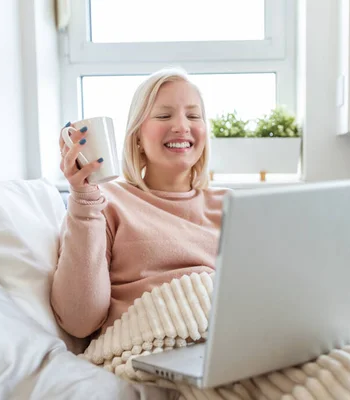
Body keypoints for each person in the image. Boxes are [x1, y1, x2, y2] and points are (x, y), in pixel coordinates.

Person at [51, 67, 230, 340]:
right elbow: (79, 321)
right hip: (146, 347)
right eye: (163, 115)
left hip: (225, 343)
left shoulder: (231, 206)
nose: (182, 126)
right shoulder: (102, 202)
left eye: (193, 116)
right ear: (137, 137)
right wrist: (84, 200)